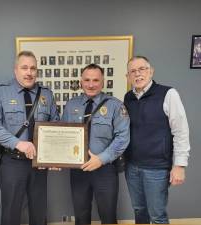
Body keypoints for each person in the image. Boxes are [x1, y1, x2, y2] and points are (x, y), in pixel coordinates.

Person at [0, 51, 59, 225]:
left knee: (39, 210)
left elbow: (54, 124)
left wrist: (54, 155)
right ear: (15, 70)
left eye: (33, 68)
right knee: (11, 211)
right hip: (12, 161)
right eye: (24, 67)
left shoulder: (46, 94)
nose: (29, 72)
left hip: (39, 163)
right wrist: (18, 143)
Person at [124, 56, 190, 224]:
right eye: (133, 71)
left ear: (151, 71)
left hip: (157, 168)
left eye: (142, 69)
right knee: (139, 211)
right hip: (132, 167)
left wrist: (179, 165)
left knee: (157, 216)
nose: (138, 74)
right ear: (128, 77)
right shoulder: (128, 98)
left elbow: (181, 131)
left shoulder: (168, 94)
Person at [62, 64, 130, 224]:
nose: (91, 84)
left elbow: (123, 137)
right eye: (87, 80)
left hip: (105, 169)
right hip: (78, 170)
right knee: (81, 215)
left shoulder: (115, 105)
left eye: (95, 80)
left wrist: (101, 159)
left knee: (108, 216)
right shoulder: (71, 105)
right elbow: (63, 134)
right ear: (81, 81)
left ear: (102, 82)